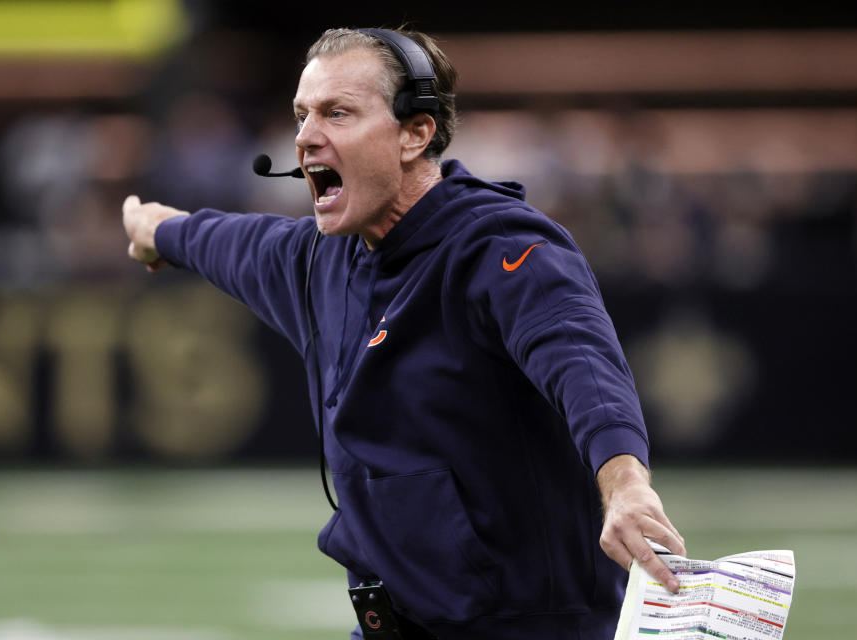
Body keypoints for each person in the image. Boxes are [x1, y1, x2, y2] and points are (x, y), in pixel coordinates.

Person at [122, 27, 686, 640]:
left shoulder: (500, 247)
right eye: (301, 115)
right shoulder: (317, 261)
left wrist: (625, 484)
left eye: (337, 113)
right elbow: (223, 241)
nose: (307, 136)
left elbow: (581, 362)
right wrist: (157, 230)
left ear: (416, 132)